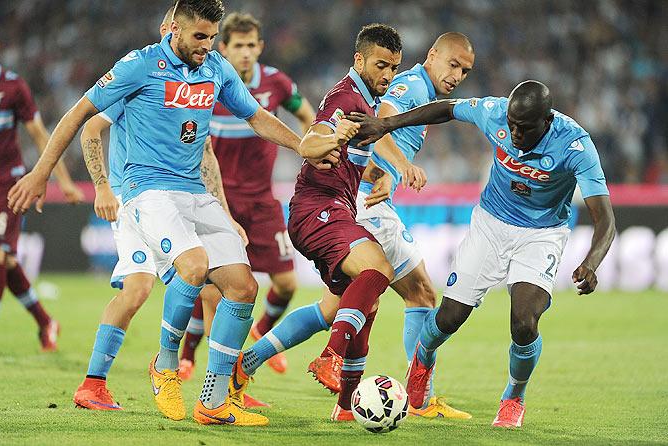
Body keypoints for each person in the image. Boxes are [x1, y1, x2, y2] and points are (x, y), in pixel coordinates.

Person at [8, 0, 337, 427]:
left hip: (194, 191)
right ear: (174, 30)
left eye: (212, 37)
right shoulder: (139, 65)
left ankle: (214, 400)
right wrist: (42, 172)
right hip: (147, 190)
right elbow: (80, 115)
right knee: (192, 266)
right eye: (199, 36)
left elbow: (256, 117)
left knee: (241, 287)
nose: (206, 45)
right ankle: (164, 365)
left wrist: (301, 144)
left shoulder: (216, 68)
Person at [233, 32, 476, 421]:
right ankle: (418, 398)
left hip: (349, 201)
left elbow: (366, 136)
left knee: (349, 306)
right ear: (432, 56)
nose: (457, 74)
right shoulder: (400, 88)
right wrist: (400, 166)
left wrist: (379, 172)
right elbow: (371, 129)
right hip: (340, 207)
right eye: (453, 64)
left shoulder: (374, 93)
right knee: (418, 293)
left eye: (465, 71)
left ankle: (264, 369)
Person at [347, 80, 616, 428]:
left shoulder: (575, 145)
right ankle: (423, 360)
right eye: (512, 124)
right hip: (491, 224)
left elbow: (605, 217)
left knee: (524, 322)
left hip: (542, 234)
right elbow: (446, 109)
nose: (515, 133)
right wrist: (386, 124)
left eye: (525, 128)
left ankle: (513, 397)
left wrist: (592, 262)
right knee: (449, 317)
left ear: (546, 121)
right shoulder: (495, 112)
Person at [178, 12, 316, 379]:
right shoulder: (208, 83)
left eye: (251, 45)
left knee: (286, 283)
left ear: (260, 47)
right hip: (217, 201)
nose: (245, 52)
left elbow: (308, 116)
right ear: (223, 48)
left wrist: (310, 153)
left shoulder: (277, 84)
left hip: (262, 201)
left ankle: (259, 334)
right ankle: (204, 363)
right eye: (237, 45)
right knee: (214, 290)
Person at [0, 29, 84, 351]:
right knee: (6, 262)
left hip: (8, 183)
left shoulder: (13, 87)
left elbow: (40, 135)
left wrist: (62, 181)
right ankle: (46, 322)